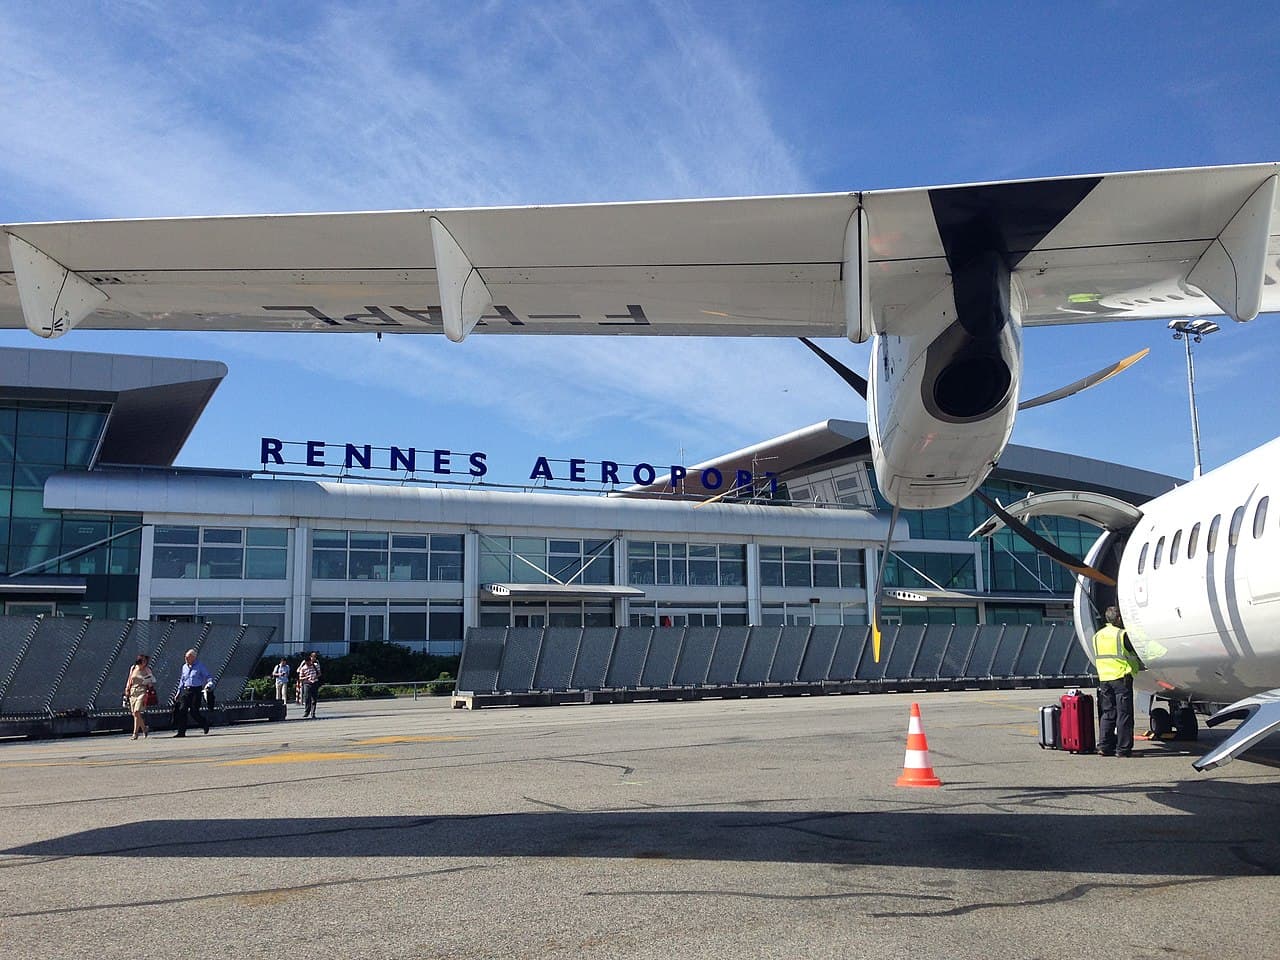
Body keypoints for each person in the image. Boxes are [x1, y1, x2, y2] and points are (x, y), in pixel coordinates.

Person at [1092, 606, 1144, 757]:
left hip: (1104, 679)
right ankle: (1123, 749)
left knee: (1108, 713)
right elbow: (1135, 652)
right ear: (1119, 619)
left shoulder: (1097, 636)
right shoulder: (1122, 635)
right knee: (1124, 714)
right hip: (1121, 678)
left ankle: (1104, 746)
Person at [173, 649, 212, 737]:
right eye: (185, 657)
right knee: (182, 710)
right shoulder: (184, 667)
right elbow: (182, 680)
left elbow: (208, 676)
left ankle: (204, 723)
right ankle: (181, 732)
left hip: (196, 690)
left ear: (193, 657)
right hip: (186, 690)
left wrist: (209, 684)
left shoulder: (200, 666)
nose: (186, 658)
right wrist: (178, 692)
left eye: (188, 657)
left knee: (194, 711)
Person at [123, 653, 156, 740]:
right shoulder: (133, 668)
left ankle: (135, 733)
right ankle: (144, 728)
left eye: (145, 661)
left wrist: (149, 682)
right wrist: (127, 689)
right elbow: (130, 679)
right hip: (133, 691)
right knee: (134, 714)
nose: (144, 663)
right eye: (142, 661)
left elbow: (151, 680)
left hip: (142, 691)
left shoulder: (147, 670)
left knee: (137, 711)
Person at [298, 651, 321, 719]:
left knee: (314, 698)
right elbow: (300, 678)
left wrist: (315, 677)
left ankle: (313, 713)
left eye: (308, 662)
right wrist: (306, 677)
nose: (307, 664)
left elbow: (319, 673)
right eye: (306, 662)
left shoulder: (315, 665)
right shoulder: (303, 668)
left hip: (315, 682)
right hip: (307, 683)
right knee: (307, 698)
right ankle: (306, 712)